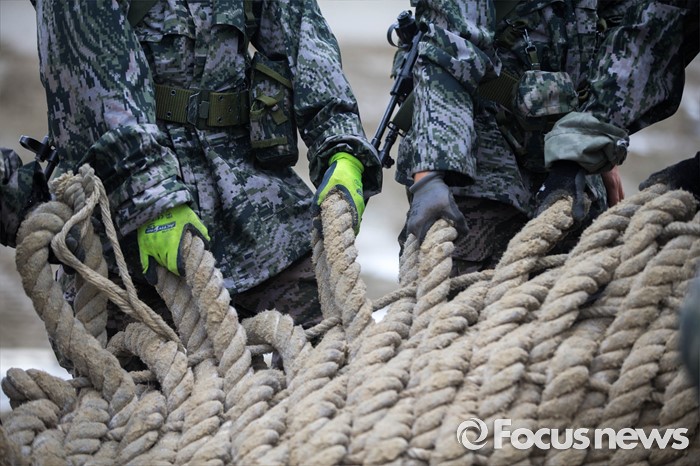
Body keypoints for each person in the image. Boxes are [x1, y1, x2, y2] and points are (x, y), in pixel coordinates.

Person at [24, 0, 382, 343]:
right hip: (126, 226)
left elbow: (303, 37)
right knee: (144, 372)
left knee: (336, 336)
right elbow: (91, 88)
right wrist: (152, 201)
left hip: (254, 205)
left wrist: (342, 148)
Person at [394, 0, 698, 275]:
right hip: (475, 157)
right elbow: (449, 51)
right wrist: (430, 174)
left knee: (579, 296)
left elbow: (642, 31)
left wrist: (594, 138)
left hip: (571, 164)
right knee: (460, 300)